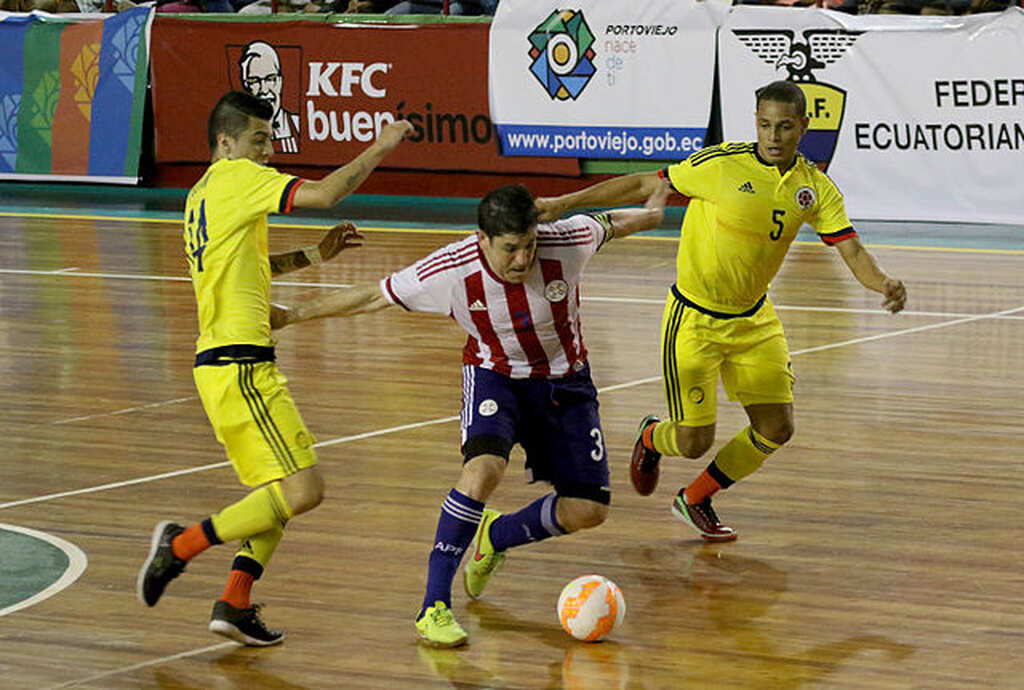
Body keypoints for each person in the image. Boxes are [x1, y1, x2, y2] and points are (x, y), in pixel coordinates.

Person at [272, 181, 670, 647]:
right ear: (482, 240)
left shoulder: (568, 239)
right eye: (510, 249)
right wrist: (294, 315)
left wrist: (652, 200)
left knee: (589, 510)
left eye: (528, 245)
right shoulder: (451, 270)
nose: (522, 259)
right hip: (494, 376)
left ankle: (494, 538)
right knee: (483, 470)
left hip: (567, 384)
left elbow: (638, 215)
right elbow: (371, 296)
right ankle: (433, 606)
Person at [536, 80, 907, 544]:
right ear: (755, 122)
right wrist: (562, 203)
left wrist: (883, 282)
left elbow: (850, 250)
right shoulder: (720, 165)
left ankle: (694, 499)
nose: (773, 136)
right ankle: (652, 436)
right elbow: (640, 183)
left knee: (776, 428)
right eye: (765, 124)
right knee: (693, 442)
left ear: (804, 128)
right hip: (695, 319)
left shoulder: (815, 188)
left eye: (785, 127)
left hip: (754, 319)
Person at [136, 90, 412, 646]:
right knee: (304, 489)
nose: (267, 150)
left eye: (269, 139)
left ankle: (234, 602)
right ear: (226, 142)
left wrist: (313, 257)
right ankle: (181, 544)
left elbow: (249, 263)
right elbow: (328, 193)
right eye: (259, 140)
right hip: (239, 366)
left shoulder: (202, 195)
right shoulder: (238, 176)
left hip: (225, 360)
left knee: (277, 491)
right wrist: (381, 145)